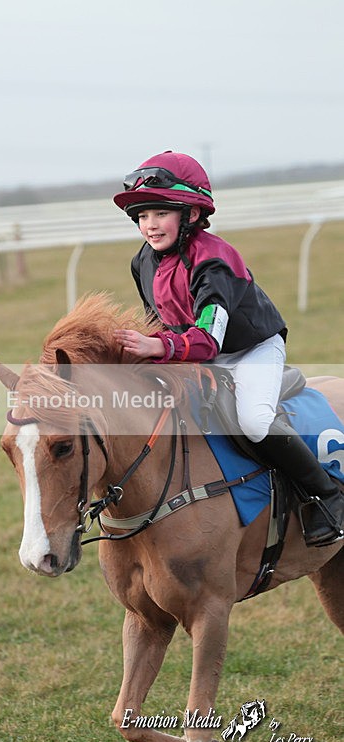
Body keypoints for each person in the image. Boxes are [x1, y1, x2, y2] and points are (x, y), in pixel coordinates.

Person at [112, 149, 343, 547]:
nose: (150, 226)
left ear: (192, 214)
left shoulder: (214, 260)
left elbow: (207, 340)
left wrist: (156, 346)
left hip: (249, 349)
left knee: (252, 421)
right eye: (143, 216)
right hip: (194, 349)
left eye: (160, 213)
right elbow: (161, 323)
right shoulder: (143, 262)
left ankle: (329, 495)